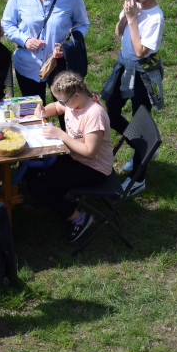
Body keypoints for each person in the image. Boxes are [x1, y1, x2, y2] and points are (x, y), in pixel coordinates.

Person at [101, 0, 165, 197]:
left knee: (140, 123)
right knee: (110, 113)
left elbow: (140, 51)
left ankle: (139, 177)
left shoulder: (155, 18)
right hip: (123, 68)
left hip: (142, 75)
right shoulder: (132, 6)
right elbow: (118, 33)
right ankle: (142, 150)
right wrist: (126, 18)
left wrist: (133, 19)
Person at [29, 71, 114, 243]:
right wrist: (44, 111)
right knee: (33, 169)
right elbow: (56, 107)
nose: (62, 104)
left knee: (38, 186)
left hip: (93, 168)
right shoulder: (72, 103)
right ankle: (66, 197)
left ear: (76, 94)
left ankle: (78, 218)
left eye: (63, 101)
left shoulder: (93, 114)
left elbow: (90, 152)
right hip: (75, 158)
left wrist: (61, 135)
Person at [2, 0, 89, 108]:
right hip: (28, 65)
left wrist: (67, 47)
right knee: (33, 114)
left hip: (61, 67)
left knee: (67, 113)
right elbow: (7, 23)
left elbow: (82, 24)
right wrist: (25, 40)